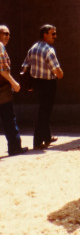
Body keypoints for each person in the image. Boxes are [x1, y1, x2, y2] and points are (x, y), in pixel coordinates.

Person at [21, 24, 64, 150]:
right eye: (53, 34)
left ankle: (47, 137)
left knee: (43, 110)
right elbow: (57, 71)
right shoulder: (48, 50)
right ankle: (38, 141)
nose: (55, 36)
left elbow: (24, 66)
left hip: (37, 84)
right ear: (45, 34)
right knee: (44, 113)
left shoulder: (33, 48)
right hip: (48, 84)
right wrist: (61, 74)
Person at [0, 25, 28, 156]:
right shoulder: (0, 46)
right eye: (5, 33)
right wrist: (13, 82)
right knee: (9, 119)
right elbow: (3, 70)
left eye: (9, 34)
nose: (8, 36)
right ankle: (15, 147)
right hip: (2, 90)